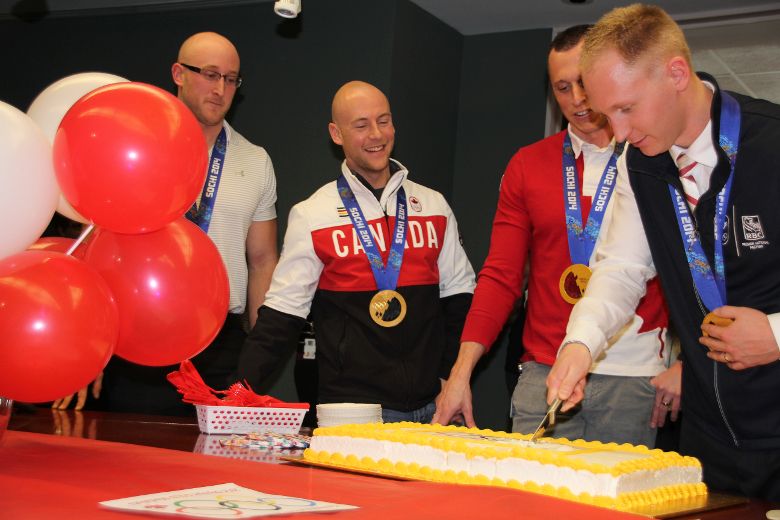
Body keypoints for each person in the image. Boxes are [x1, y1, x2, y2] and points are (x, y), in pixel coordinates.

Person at [547, 4, 780, 500]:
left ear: (677, 73)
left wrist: (778, 333)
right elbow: (623, 266)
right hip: (709, 438)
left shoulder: (773, 143)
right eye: (609, 116)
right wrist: (581, 342)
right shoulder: (641, 163)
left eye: (627, 109)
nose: (621, 133)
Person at [433, 25, 677, 447]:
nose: (578, 100)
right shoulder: (528, 165)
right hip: (544, 371)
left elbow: (691, 266)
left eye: (584, 82)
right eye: (563, 87)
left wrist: (686, 365)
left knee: (616, 512)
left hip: (634, 378)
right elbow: (501, 276)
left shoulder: (654, 156)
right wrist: (460, 373)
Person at [235, 80, 475, 424]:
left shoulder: (433, 205)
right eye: (361, 125)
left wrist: (449, 375)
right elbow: (281, 317)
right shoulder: (313, 214)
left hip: (432, 409)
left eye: (384, 120)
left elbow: (460, 298)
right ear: (336, 134)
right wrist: (238, 393)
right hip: (352, 414)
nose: (376, 134)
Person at [99, 32, 279, 415]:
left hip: (222, 344)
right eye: (210, 75)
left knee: (215, 468)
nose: (221, 89)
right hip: (140, 330)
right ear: (178, 73)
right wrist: (91, 341)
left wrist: (258, 354)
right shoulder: (136, 148)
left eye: (231, 79)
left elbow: (263, 260)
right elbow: (101, 243)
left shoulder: (255, 159)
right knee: (132, 461)